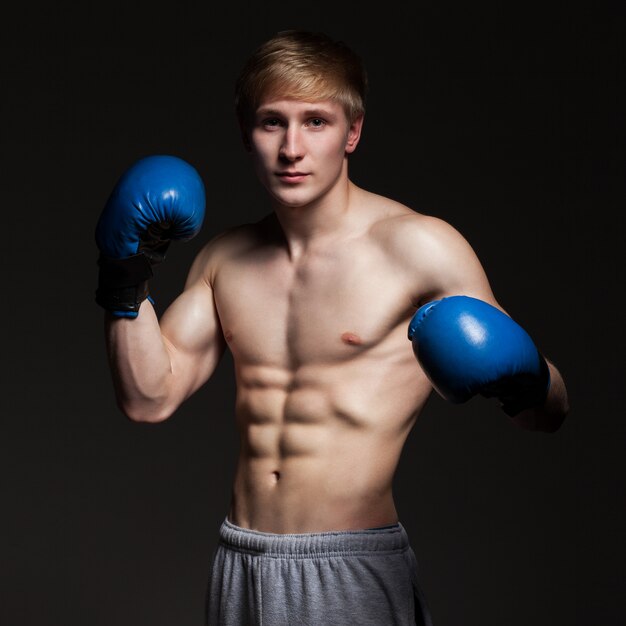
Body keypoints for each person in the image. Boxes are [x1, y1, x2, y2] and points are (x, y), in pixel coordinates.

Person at [94, 30, 569, 626]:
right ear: (247, 133)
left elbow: (550, 412)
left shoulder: (419, 246)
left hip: (351, 566)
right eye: (273, 122)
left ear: (353, 132)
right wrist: (125, 277)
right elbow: (148, 397)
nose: (292, 147)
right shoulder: (224, 259)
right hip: (241, 559)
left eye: (315, 122)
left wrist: (525, 379)